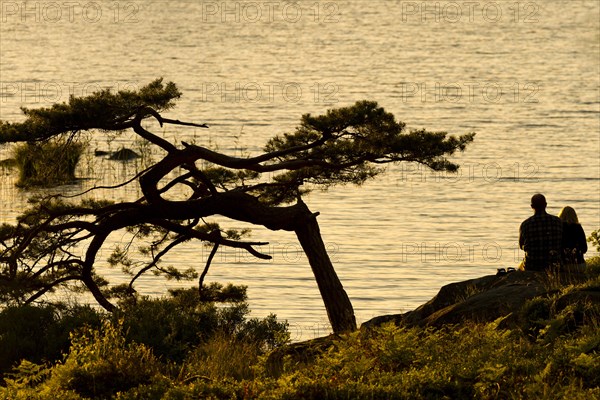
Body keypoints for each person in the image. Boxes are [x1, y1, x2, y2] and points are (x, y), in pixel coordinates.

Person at [519, 194, 563, 271]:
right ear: (546, 205)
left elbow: (521, 245)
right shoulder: (558, 222)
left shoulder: (525, 224)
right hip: (554, 265)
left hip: (532, 265)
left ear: (532, 206)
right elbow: (563, 241)